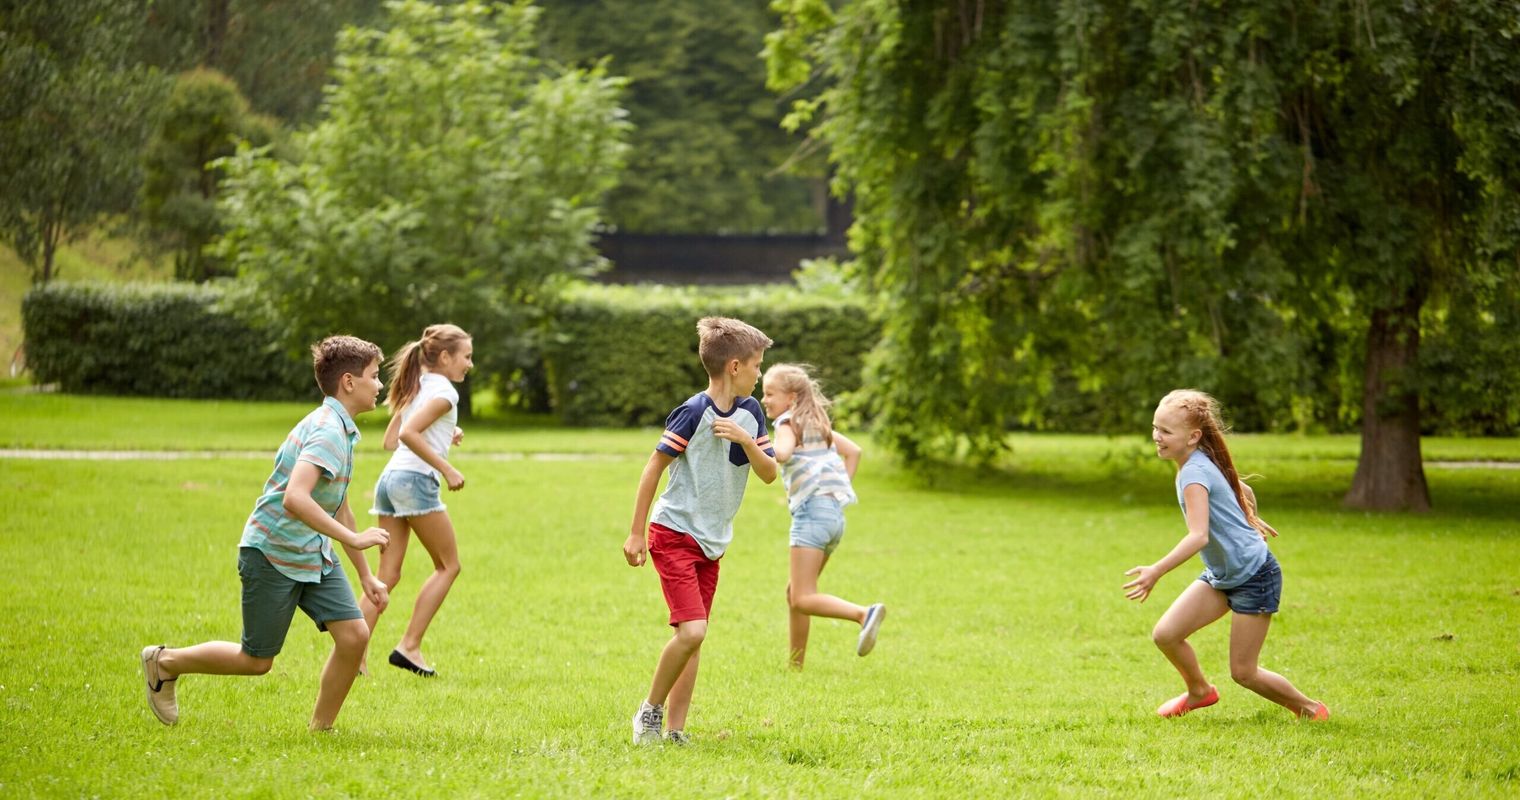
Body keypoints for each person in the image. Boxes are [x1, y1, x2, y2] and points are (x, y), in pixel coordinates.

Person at [139, 335, 392, 731]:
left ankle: (320, 731)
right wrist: (357, 542)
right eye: (375, 377)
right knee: (256, 661)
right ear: (348, 382)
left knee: (355, 636)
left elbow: (339, 505)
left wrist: (365, 574)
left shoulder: (343, 431)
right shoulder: (327, 431)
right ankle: (165, 662)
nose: (380, 385)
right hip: (272, 552)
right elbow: (295, 498)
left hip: (311, 552)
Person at [1124, 389, 1329, 720]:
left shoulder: (1193, 471)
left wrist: (1156, 570)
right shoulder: (1199, 460)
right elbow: (1242, 488)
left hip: (1254, 576)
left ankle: (1311, 710)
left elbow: (1198, 536)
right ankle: (1200, 691)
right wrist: (1247, 517)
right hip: (1222, 576)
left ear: (1193, 437)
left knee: (1244, 673)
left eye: (1165, 431)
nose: (1156, 437)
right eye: (1155, 427)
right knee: (1166, 635)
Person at [623, 317, 778, 746]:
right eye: (757, 365)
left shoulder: (750, 412)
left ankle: (675, 732)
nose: (759, 373)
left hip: (712, 542)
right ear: (734, 366)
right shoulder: (693, 412)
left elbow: (769, 474)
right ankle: (648, 714)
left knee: (691, 638)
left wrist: (747, 440)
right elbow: (653, 467)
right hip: (674, 532)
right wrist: (636, 534)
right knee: (693, 631)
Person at [358, 323, 472, 678]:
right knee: (448, 565)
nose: (470, 364)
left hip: (389, 481)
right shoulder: (445, 394)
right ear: (444, 356)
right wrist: (446, 469)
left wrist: (442, 433)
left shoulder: (419, 385)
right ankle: (409, 646)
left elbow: (391, 439)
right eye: (466, 357)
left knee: (386, 575)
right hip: (415, 481)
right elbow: (407, 434)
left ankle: (353, 653)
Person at [760, 363, 884, 669]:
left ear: (790, 398)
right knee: (796, 593)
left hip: (812, 516)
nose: (764, 400)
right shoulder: (817, 423)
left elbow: (783, 454)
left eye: (769, 394)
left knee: (802, 597)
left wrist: (753, 443)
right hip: (832, 517)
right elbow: (853, 451)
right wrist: (836, 494)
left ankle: (863, 614)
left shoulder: (788, 423)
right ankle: (795, 665)